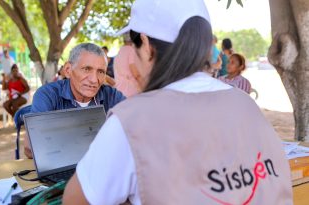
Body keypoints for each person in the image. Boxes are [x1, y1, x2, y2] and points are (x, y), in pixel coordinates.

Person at [62, 0, 293, 204]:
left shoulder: (133, 121)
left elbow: (74, 200)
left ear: (145, 44)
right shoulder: (246, 105)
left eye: (134, 46)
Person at [25, 43, 125, 159]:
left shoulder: (112, 96)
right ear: (68, 70)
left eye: (101, 72)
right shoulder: (48, 95)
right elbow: (30, 148)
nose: (94, 80)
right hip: (63, 165)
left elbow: (137, 130)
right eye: (86, 69)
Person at [113, 33, 143, 97]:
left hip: (120, 93)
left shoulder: (119, 53)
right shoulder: (131, 50)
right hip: (131, 92)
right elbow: (136, 74)